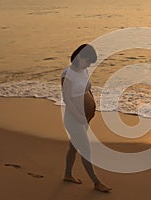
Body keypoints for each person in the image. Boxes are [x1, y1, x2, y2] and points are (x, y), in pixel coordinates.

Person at [61, 44, 112, 193]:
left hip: (84, 118)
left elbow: (87, 88)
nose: (89, 64)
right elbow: (67, 99)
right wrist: (78, 116)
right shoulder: (67, 74)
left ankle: (67, 174)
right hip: (74, 119)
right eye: (88, 61)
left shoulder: (84, 71)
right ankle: (96, 182)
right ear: (81, 57)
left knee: (73, 147)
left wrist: (91, 108)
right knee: (85, 151)